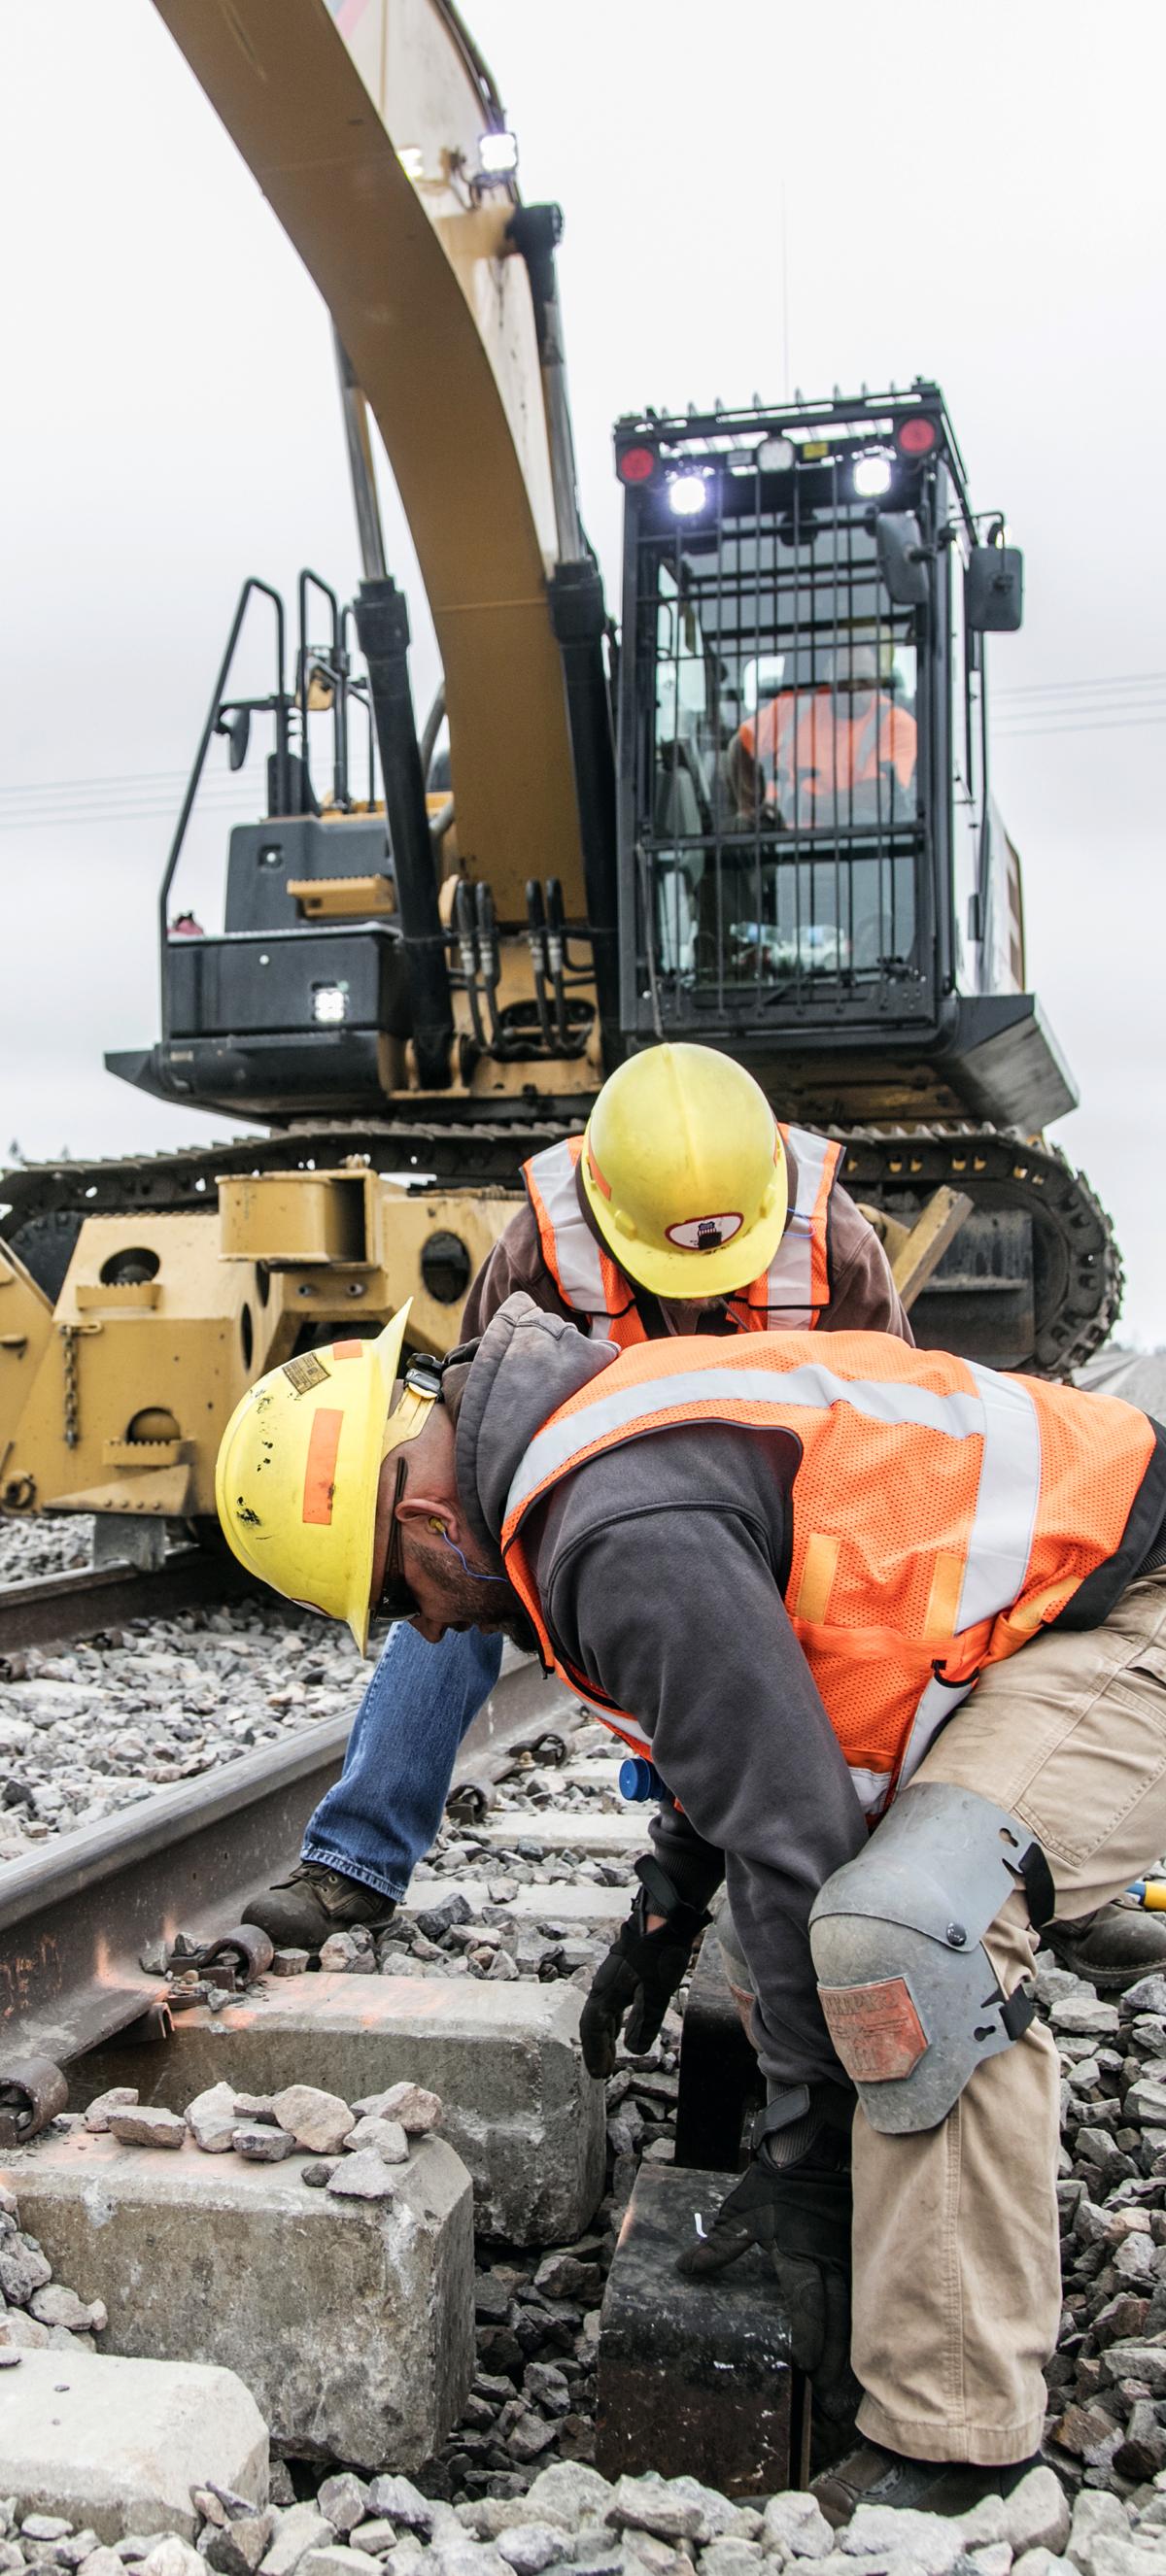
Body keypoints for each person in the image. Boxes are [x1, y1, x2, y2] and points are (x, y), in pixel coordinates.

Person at [218, 1294, 1166, 2516]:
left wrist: (808, 2158)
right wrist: (669, 1901)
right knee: (861, 1922)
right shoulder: (568, 1451)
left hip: (1130, 1617)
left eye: (401, 1598)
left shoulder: (612, 1523)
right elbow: (753, 1713)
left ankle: (955, 2440)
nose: (435, 1625)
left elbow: (799, 1839)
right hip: (1054, 1618)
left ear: (420, 1515)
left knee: (908, 1927)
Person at [244, 1042, 913, 1952]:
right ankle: (355, 1857)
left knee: (910, 1602)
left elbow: (900, 1438)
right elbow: (464, 1462)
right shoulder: (540, 1247)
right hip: (601, 1493)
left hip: (770, 1499)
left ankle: (994, 1840)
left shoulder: (829, 1242)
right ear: (607, 1209)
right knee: (448, 1575)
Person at [730, 639, 917, 831]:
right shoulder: (795, 706)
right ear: (830, 676)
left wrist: (801, 806)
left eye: (863, 681)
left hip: (852, 845)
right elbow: (740, 745)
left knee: (863, 818)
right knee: (739, 831)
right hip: (779, 836)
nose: (852, 687)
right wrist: (753, 806)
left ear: (880, 680)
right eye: (844, 680)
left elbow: (879, 794)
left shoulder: (897, 724)